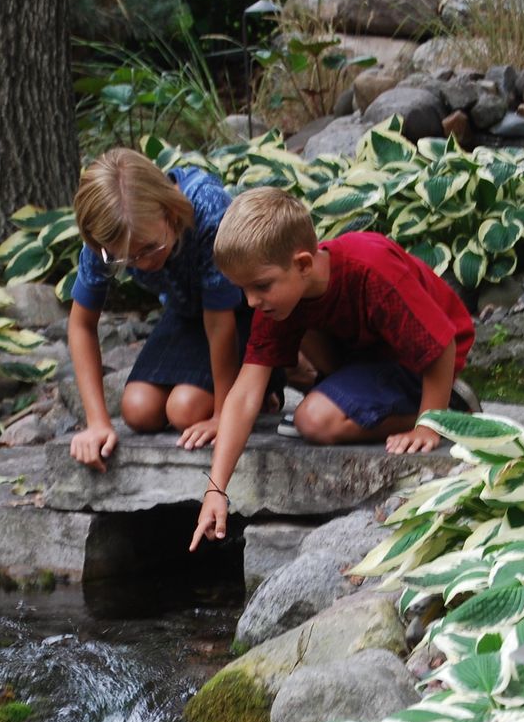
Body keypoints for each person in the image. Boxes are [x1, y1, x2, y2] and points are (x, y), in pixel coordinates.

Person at [190, 187, 476, 551]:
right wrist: (216, 490)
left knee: (314, 420)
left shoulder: (371, 268)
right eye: (242, 289)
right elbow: (246, 392)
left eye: (260, 286)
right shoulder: (280, 298)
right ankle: (357, 397)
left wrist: (428, 424)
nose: (250, 301)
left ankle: (448, 408)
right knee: (289, 329)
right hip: (364, 354)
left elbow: (442, 343)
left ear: (304, 264)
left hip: (420, 361)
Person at [65, 149, 250, 472]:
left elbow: (220, 323)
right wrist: (97, 423)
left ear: (169, 212)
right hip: (185, 313)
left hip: (241, 310)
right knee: (138, 410)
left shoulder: (206, 207)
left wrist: (224, 415)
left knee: (185, 410)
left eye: (150, 248)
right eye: (127, 259)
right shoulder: (108, 237)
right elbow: (81, 325)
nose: (143, 263)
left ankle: (260, 386)